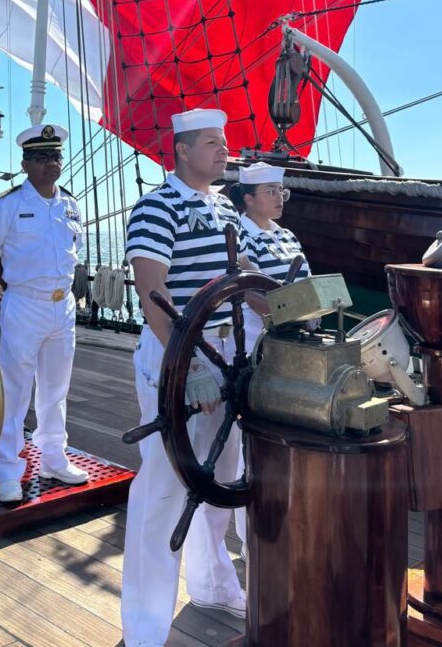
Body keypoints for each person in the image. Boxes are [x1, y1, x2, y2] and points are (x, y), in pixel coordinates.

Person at [121, 108, 267, 647]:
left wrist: (300, 309)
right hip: (177, 359)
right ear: (182, 150)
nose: (224, 151)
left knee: (218, 482)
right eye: (212, 143)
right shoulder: (157, 208)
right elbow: (151, 294)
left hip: (229, 362)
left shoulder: (225, 210)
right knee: (163, 491)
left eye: (223, 142)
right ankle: (144, 630)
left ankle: (210, 585)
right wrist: (193, 365)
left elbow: (250, 285)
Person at [0, 122, 89, 502]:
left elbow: (74, 254)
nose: (51, 164)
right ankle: (8, 470)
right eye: (41, 158)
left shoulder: (70, 204)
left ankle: (53, 458)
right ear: (25, 164)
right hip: (24, 304)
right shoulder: (8, 204)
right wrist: (14, 284)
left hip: (63, 307)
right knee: (15, 389)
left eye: (55, 157)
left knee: (56, 390)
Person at [228, 161, 311, 554]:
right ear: (248, 199)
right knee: (253, 440)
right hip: (257, 341)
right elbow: (247, 287)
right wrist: (281, 317)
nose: (279, 199)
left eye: (282, 192)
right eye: (271, 192)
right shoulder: (241, 236)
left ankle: (278, 529)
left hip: (290, 340)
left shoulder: (287, 235)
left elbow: (307, 285)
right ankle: (251, 542)